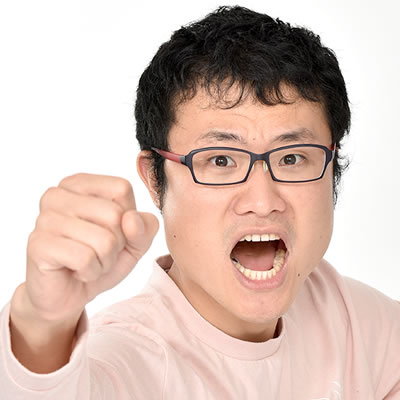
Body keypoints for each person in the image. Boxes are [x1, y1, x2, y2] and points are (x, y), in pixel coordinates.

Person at [1, 5, 399, 399]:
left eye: (292, 158)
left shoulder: (361, 327)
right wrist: (42, 322)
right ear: (155, 179)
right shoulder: (124, 360)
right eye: (221, 160)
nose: (263, 201)